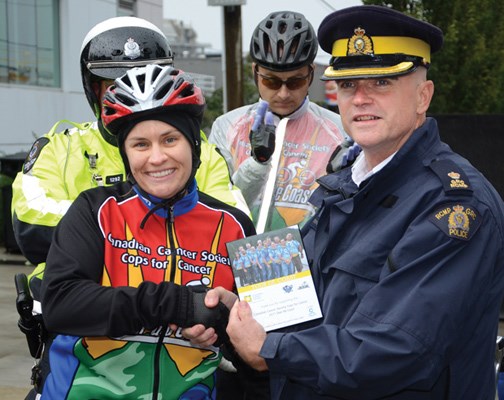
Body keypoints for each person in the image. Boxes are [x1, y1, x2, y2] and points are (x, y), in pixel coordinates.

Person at [192, 5, 504, 399]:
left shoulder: (455, 208)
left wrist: (270, 349)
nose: (361, 99)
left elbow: (396, 350)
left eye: (382, 83)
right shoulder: (341, 187)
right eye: (350, 83)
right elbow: (299, 300)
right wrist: (237, 311)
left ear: (423, 96)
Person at [11, 16, 248, 399]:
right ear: (92, 89)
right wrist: (115, 242)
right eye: (113, 84)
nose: (156, 158)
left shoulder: (208, 155)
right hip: (81, 361)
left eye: (170, 140)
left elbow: (234, 230)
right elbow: (30, 225)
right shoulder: (63, 148)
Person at [209, 10, 349, 232]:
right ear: (255, 71)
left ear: (311, 73)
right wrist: (257, 163)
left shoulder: (340, 129)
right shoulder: (227, 125)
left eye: (295, 82)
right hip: (237, 256)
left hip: (309, 262)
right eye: (272, 81)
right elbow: (217, 208)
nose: (283, 94)